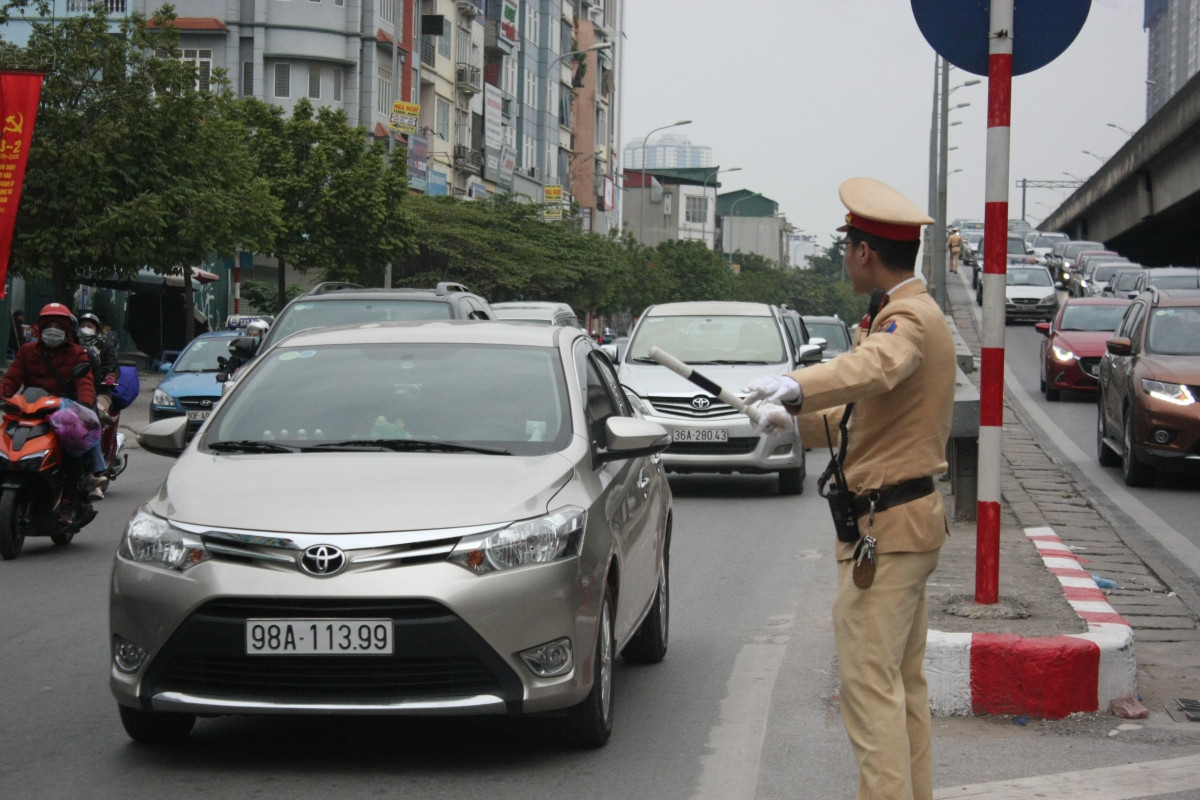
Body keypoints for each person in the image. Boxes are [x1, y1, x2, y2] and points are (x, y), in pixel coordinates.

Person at [743, 177, 956, 800]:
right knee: (900, 685)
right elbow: (869, 415)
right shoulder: (901, 313)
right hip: (902, 524)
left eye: (847, 249)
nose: (844, 260)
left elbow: (873, 368)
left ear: (864, 253)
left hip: (889, 530)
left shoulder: (907, 319)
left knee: (867, 688)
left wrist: (796, 383)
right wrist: (798, 419)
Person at [2, 302, 100, 506]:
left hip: (62, 413)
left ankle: (67, 502)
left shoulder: (77, 353)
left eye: (58, 325)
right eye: (49, 324)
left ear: (66, 330)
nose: (53, 329)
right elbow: (11, 380)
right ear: (41, 328)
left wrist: (84, 405)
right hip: (28, 409)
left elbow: (85, 383)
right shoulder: (27, 351)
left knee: (73, 452)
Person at [78, 312, 118, 499]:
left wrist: (111, 377)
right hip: (70, 394)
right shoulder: (72, 347)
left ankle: (97, 470)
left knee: (94, 419)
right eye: (83, 324)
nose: (86, 328)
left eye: (90, 325)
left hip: (98, 392)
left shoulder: (104, 348)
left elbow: (112, 368)